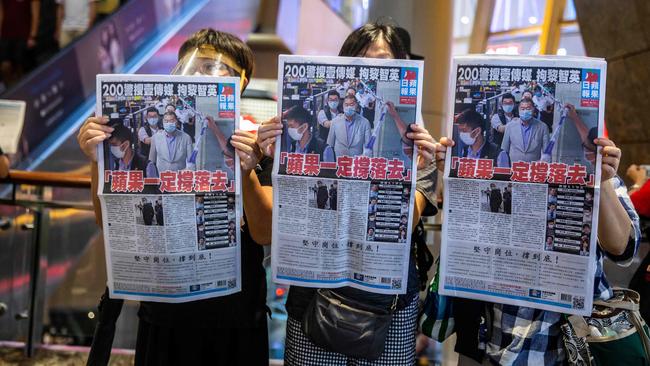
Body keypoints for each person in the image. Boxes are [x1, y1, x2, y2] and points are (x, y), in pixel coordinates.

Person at [77, 28, 273, 366]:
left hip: (236, 318)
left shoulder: (260, 144)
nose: (199, 76)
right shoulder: (153, 140)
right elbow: (107, 220)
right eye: (190, 66)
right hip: (164, 313)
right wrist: (99, 160)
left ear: (240, 83)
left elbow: (264, 232)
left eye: (214, 69)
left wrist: (246, 171)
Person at [256, 22, 438, 365]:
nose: (370, 71)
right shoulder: (317, 130)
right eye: (359, 61)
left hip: (389, 306)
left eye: (383, 62)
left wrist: (416, 162)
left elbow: (406, 219)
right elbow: (268, 224)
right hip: (313, 299)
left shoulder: (418, 144)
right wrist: (267, 154)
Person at [433, 132, 641, 365]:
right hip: (494, 338)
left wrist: (601, 180)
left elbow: (622, 248)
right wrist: (451, 169)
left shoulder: (599, 178)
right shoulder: (496, 172)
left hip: (573, 344)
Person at [0, 0, 40, 86]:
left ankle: (22, 90)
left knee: (20, 66)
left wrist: (33, 36)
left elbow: (35, 15)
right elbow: (1, 12)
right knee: (4, 67)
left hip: (23, 35)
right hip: (5, 35)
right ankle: (10, 91)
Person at [501, 97, 550, 164]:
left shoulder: (542, 127)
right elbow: (504, 150)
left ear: (533, 110)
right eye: (522, 109)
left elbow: (547, 153)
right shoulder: (510, 126)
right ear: (518, 110)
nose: (525, 111)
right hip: (514, 168)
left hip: (533, 169)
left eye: (528, 109)